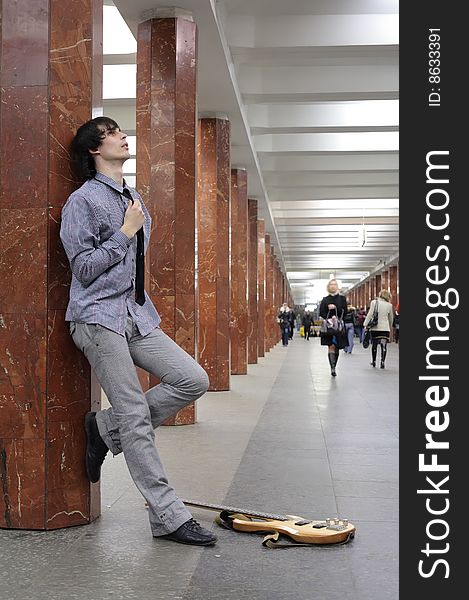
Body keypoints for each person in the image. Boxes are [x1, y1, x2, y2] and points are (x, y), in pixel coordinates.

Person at [60, 116, 217, 546]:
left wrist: (131, 229)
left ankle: (104, 429)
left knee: (193, 379)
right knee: (135, 415)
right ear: (94, 150)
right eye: (111, 133)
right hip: (96, 318)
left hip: (134, 314)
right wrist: (125, 234)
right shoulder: (83, 201)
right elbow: (85, 269)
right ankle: (167, 515)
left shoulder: (133, 197)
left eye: (119, 130)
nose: (121, 136)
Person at [319, 279, 347, 376]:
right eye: (331, 284)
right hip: (329, 326)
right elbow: (321, 312)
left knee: (337, 347)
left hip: (338, 326)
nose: (333, 286)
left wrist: (336, 309)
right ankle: (332, 367)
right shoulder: (325, 299)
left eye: (335, 284)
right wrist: (328, 313)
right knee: (331, 345)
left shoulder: (342, 299)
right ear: (328, 286)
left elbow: (345, 311)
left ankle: (335, 364)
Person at [363, 289, 394, 368]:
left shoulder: (374, 302)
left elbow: (370, 314)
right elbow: (391, 318)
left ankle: (374, 361)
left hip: (375, 328)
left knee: (374, 344)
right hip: (385, 328)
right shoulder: (389, 305)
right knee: (384, 345)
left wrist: (365, 324)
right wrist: (389, 327)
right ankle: (382, 362)